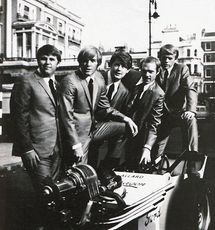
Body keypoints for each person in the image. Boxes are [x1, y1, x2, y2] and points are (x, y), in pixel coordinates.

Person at [10, 44, 63, 229]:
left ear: (58, 62)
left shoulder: (56, 84)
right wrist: (27, 148)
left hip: (57, 148)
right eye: (44, 58)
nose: (48, 62)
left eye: (52, 59)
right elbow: (18, 118)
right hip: (37, 150)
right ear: (38, 60)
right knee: (45, 193)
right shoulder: (26, 81)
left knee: (54, 193)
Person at [59, 45, 138, 166]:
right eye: (85, 60)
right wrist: (75, 144)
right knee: (80, 172)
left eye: (93, 61)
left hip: (95, 128)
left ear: (98, 63)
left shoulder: (98, 79)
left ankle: (107, 166)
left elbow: (105, 107)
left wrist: (126, 118)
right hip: (79, 132)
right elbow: (66, 116)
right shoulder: (69, 81)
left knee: (126, 126)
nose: (88, 64)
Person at [154, 44, 198, 174]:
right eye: (163, 58)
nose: (166, 61)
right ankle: (155, 167)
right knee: (157, 150)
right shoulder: (155, 70)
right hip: (162, 115)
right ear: (159, 58)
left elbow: (190, 88)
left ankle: (191, 163)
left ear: (175, 58)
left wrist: (190, 110)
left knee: (191, 121)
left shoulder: (182, 69)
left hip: (179, 113)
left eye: (169, 58)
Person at [124, 56, 164, 170]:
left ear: (157, 72)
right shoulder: (136, 87)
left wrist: (147, 147)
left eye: (151, 72)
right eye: (144, 71)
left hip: (142, 140)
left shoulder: (158, 93)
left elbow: (154, 123)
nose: (147, 75)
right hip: (128, 135)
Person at [93, 50, 131, 169]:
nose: (119, 69)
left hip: (104, 130)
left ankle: (109, 166)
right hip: (88, 126)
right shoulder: (97, 78)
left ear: (128, 70)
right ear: (110, 65)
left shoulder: (124, 92)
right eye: (117, 64)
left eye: (124, 66)